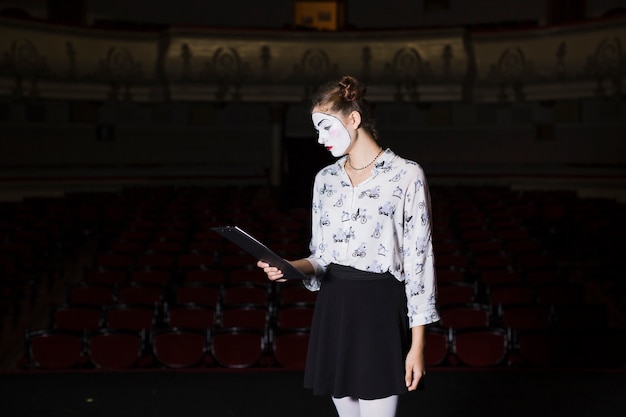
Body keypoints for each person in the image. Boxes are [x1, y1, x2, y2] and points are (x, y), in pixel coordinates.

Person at [257, 75, 439, 417]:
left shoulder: (406, 175)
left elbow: (420, 262)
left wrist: (418, 346)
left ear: (353, 119)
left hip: (379, 309)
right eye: (317, 130)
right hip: (334, 305)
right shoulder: (325, 180)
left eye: (326, 128)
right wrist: (290, 267)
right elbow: (321, 257)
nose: (320, 139)